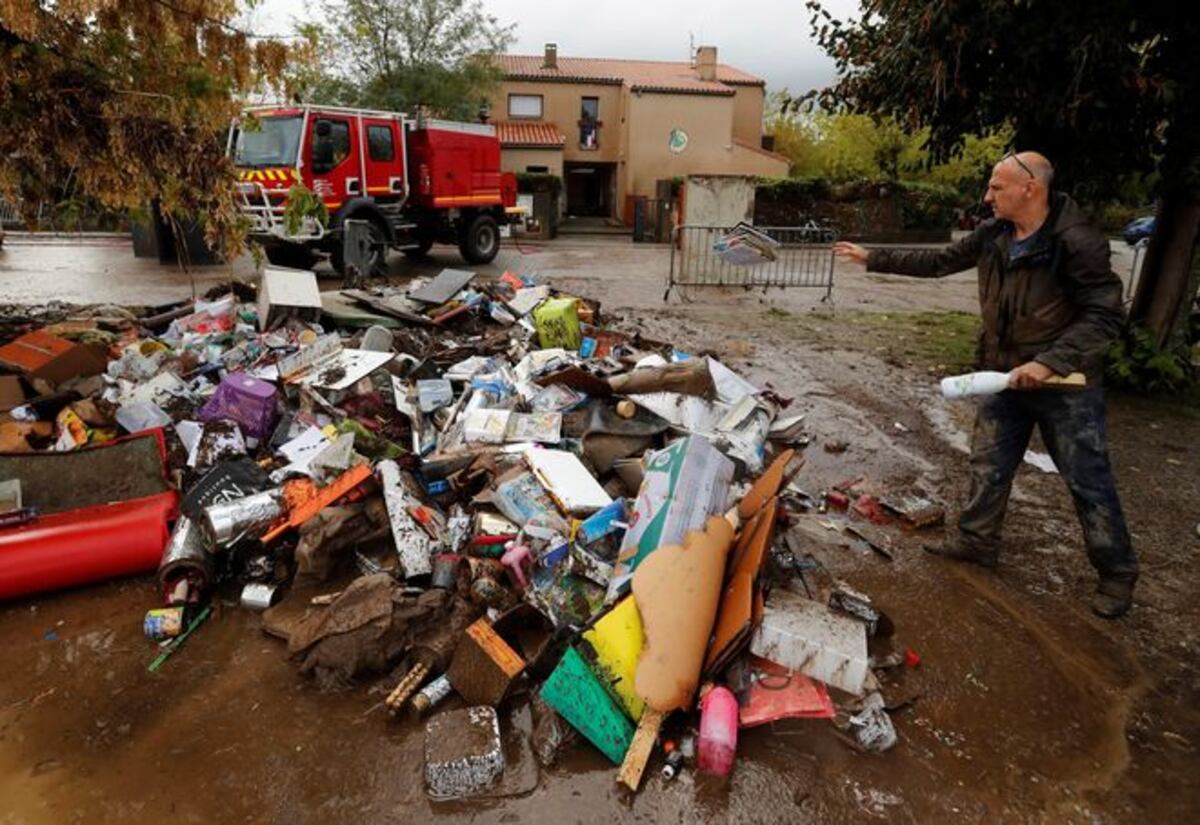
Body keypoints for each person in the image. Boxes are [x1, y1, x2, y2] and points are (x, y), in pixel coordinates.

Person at [833, 151, 1138, 618]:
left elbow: (1105, 313)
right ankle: (977, 541)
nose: (986, 196)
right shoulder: (995, 234)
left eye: (996, 187)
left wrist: (1051, 362)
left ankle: (1117, 574)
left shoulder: (1075, 241)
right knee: (988, 463)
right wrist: (872, 257)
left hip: (1066, 385)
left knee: (1088, 480)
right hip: (1003, 373)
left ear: (1030, 188)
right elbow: (941, 262)